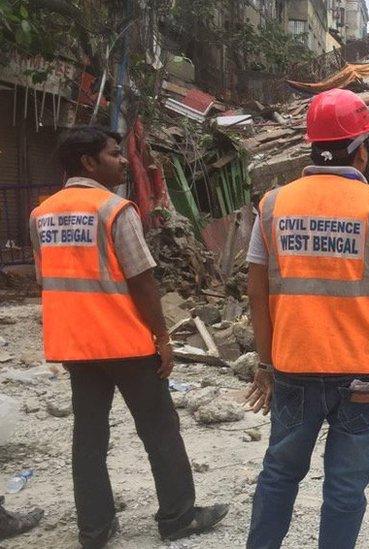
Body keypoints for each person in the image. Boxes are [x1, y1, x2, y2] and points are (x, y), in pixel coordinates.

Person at [244, 89, 369, 549]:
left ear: (311, 146)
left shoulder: (272, 206)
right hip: (362, 373)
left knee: (279, 474)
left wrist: (263, 362)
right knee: (345, 487)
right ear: (360, 150)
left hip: (294, 365)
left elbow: (257, 292)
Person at [29, 127, 228, 548]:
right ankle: (178, 516)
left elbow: (47, 278)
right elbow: (142, 281)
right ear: (88, 162)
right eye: (114, 154)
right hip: (124, 341)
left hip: (76, 345)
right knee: (160, 430)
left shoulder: (41, 215)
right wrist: (162, 337)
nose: (122, 161)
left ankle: (94, 530)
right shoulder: (115, 210)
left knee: (89, 438)